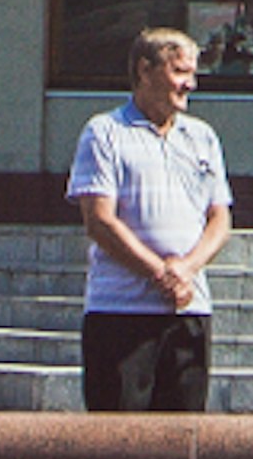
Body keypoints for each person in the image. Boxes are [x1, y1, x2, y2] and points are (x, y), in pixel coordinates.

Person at [71, 24, 232, 410]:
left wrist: (187, 271)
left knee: (181, 447)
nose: (189, 84)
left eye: (193, 74)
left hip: (187, 311)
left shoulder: (202, 138)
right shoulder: (105, 133)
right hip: (121, 314)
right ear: (145, 70)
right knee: (120, 446)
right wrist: (161, 274)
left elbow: (219, 218)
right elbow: (100, 221)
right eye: (179, 72)